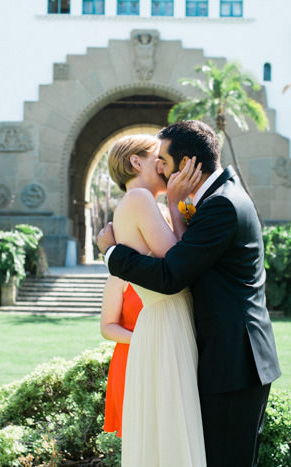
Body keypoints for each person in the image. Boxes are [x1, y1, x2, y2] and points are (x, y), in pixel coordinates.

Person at [97, 120, 281, 467]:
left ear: (187, 164)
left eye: (164, 161)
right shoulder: (216, 199)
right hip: (220, 356)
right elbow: (179, 264)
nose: (162, 169)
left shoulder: (222, 204)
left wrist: (111, 253)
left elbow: (171, 274)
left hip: (234, 361)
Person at [103, 133, 207, 466]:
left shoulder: (141, 202)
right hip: (164, 321)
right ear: (136, 162)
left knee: (168, 426)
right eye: (157, 158)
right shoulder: (139, 200)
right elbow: (178, 263)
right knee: (172, 426)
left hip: (165, 320)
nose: (164, 166)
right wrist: (178, 205)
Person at [100, 276, 142, 437]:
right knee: (137, 436)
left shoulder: (178, 263)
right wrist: (144, 340)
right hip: (131, 361)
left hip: (173, 358)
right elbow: (108, 326)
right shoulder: (120, 276)